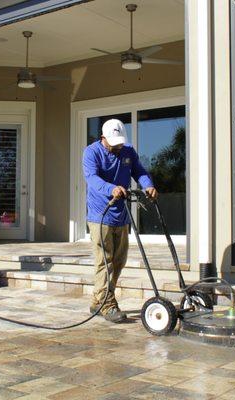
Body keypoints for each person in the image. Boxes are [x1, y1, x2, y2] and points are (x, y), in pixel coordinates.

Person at [83, 119, 158, 323]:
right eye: (113, 142)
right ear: (103, 138)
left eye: (119, 142)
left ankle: (98, 299)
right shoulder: (91, 152)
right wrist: (111, 188)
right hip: (100, 214)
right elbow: (92, 178)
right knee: (104, 261)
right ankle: (107, 304)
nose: (117, 146)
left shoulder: (128, 151)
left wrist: (148, 185)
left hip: (121, 214)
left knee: (119, 260)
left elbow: (139, 171)